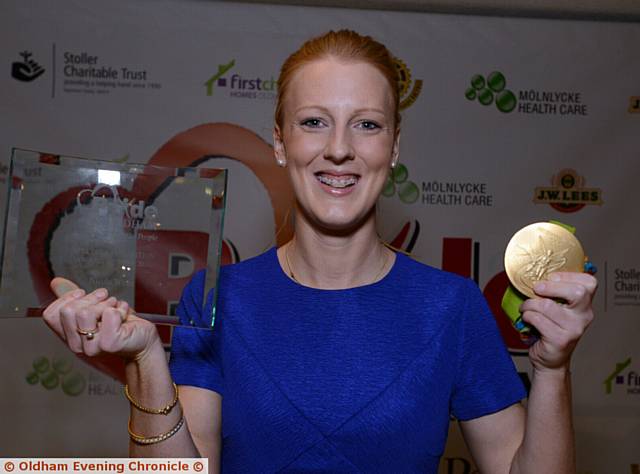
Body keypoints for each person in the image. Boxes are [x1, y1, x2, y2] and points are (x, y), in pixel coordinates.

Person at [43, 30, 597, 473]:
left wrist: (552, 369)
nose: (338, 149)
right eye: (314, 123)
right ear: (281, 142)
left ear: (394, 146)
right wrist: (145, 362)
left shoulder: (450, 306)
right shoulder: (216, 297)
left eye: (366, 125)